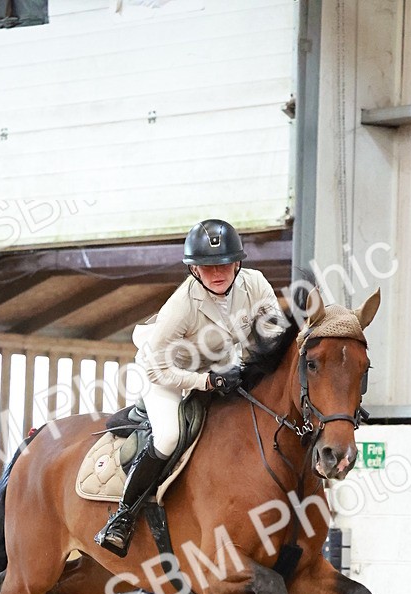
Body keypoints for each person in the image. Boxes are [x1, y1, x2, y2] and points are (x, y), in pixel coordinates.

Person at [94, 217, 284, 557]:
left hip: (220, 364)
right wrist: (206, 382)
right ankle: (123, 516)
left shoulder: (255, 284)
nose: (217, 273)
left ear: (237, 263)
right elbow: (157, 368)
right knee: (168, 436)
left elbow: (272, 337)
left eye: (224, 263)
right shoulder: (182, 305)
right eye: (207, 266)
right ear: (194, 270)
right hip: (167, 371)